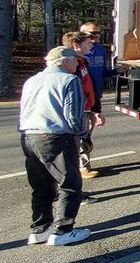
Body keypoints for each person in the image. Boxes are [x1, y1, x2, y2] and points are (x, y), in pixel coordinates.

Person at [19, 46, 91, 246]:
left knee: (41, 185)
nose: (78, 64)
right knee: (70, 184)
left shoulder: (31, 81)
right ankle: (63, 231)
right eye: (75, 61)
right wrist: (83, 135)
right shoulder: (69, 80)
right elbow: (73, 115)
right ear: (65, 61)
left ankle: (40, 229)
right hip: (56, 137)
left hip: (29, 136)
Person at [62, 31, 103, 179]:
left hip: (87, 109)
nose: (91, 44)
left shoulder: (82, 62)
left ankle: (83, 167)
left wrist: (95, 110)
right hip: (79, 112)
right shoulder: (70, 66)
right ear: (75, 46)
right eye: (87, 43)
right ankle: (76, 173)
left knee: (85, 141)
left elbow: (90, 87)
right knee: (77, 141)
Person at [79, 22, 115, 93]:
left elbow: (104, 73)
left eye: (99, 33)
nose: (97, 35)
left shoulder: (101, 49)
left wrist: (118, 71)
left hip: (96, 94)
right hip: (81, 94)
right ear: (82, 33)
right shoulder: (76, 50)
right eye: (94, 33)